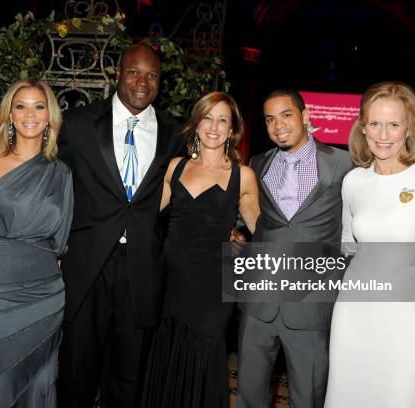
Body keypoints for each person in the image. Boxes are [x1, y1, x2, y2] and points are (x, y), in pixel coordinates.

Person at [324, 81, 415, 408]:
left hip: (408, 328)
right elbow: (350, 251)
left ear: (410, 128)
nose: (383, 134)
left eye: (393, 124)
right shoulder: (354, 182)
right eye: (374, 124)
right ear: (362, 128)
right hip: (352, 321)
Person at [57, 44, 184, 407]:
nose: (142, 82)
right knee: (76, 373)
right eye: (134, 72)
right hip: (86, 268)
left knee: (130, 377)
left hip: (142, 270)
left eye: (152, 75)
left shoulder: (175, 134)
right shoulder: (78, 124)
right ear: (118, 73)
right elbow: (55, 188)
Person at [140, 92, 260, 407]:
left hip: (213, 287)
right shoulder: (175, 168)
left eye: (223, 120)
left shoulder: (242, 175)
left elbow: (262, 232)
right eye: (207, 117)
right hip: (173, 281)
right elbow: (142, 217)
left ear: (232, 130)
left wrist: (244, 243)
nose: (213, 127)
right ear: (196, 123)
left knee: (205, 353)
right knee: (170, 352)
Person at [237, 89, 353, 408]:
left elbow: (356, 228)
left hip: (311, 304)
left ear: (304, 116)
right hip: (258, 302)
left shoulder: (343, 164)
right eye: (270, 119)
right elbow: (252, 219)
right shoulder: (257, 164)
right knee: (249, 395)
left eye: (286, 115)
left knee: (308, 398)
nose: (278, 125)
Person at [0, 79, 73, 407]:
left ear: (49, 118)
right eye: (21, 106)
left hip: (46, 293)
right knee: (2, 377)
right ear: (9, 116)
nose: (30, 114)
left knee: (42, 378)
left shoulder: (62, 173)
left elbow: (61, 242)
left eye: (39, 106)